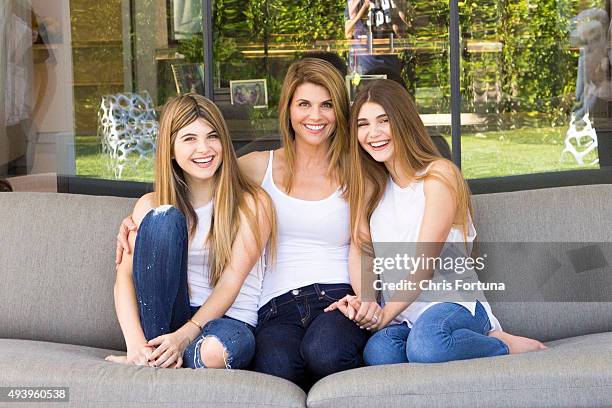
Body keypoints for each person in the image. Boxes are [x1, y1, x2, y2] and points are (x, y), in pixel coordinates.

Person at [116, 59, 376, 388]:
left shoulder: (357, 174)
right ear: (288, 110)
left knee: (324, 351)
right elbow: (203, 174)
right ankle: (156, 361)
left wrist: (368, 296)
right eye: (304, 104)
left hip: (335, 295)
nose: (315, 116)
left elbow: (363, 243)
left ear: (339, 111)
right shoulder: (256, 167)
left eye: (327, 105)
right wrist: (140, 218)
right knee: (275, 367)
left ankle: (167, 362)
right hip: (277, 304)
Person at [328, 79, 546, 365]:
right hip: (405, 317)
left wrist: (382, 317)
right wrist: (367, 301)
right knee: (379, 354)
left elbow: (423, 268)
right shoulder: (372, 185)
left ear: (404, 122)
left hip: (454, 304)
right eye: (363, 124)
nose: (373, 133)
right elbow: (362, 249)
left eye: (384, 120)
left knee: (428, 346)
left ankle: (502, 345)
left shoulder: (438, 176)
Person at [106, 93, 275, 370]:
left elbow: (232, 279)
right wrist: (135, 344)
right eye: (189, 139)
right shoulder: (150, 205)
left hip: (228, 321)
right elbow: (124, 278)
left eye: (212, 136)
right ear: (170, 149)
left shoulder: (253, 203)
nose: (204, 148)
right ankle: (154, 354)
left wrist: (185, 337)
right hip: (170, 319)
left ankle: (167, 358)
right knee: (163, 218)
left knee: (215, 352)